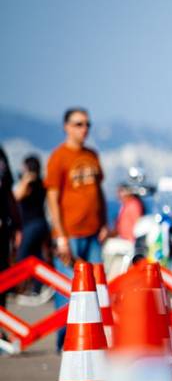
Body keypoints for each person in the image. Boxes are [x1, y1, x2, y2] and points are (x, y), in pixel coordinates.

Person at [45, 108, 107, 349]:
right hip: (69, 233)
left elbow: (98, 191)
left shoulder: (92, 155)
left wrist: (103, 223)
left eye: (87, 124)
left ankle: (92, 339)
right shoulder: (59, 157)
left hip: (93, 232)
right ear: (67, 127)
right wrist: (60, 235)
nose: (84, 129)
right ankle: (65, 341)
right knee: (67, 289)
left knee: (96, 287)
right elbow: (53, 198)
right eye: (79, 124)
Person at [13, 155, 50, 263]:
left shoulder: (30, 183)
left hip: (32, 224)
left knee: (22, 257)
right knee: (36, 257)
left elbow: (17, 196)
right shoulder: (42, 183)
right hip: (40, 224)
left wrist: (25, 179)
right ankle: (38, 280)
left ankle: (20, 279)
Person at [0, 147, 21, 308]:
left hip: (3, 228)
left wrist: (17, 225)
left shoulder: (1, 154)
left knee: (3, 279)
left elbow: (8, 192)